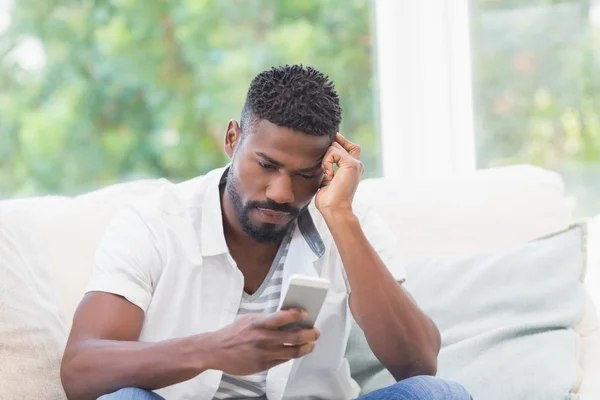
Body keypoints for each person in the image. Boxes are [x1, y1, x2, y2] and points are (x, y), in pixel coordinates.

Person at [60, 65, 471, 400]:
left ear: (330, 165)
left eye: (305, 174)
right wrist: (213, 350)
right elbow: (80, 370)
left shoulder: (348, 217)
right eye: (266, 165)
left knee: (437, 395)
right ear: (232, 138)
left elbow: (417, 364)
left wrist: (341, 217)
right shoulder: (154, 223)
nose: (281, 192)